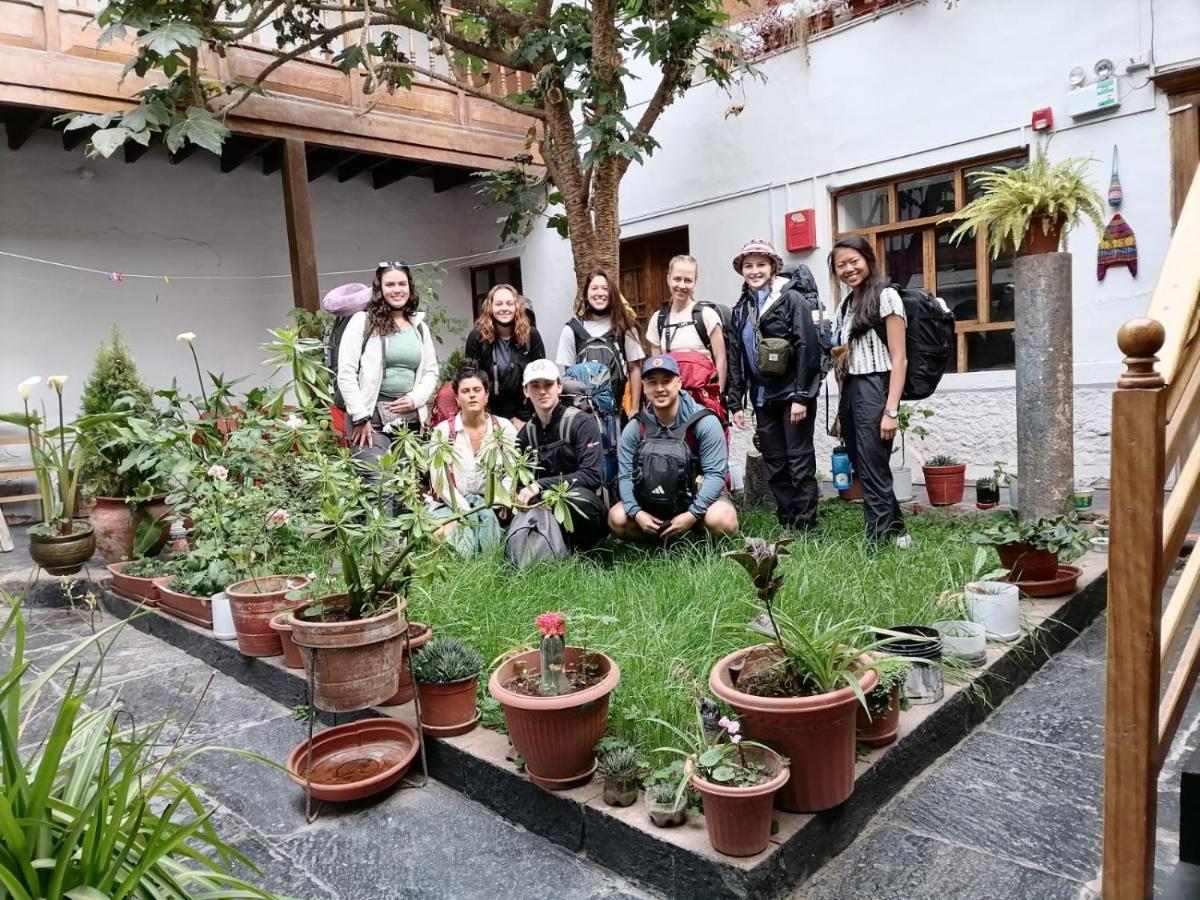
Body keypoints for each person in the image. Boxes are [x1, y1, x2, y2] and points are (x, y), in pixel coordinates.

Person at [726, 239, 825, 534]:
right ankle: (787, 521)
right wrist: (735, 401)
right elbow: (736, 358)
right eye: (748, 265)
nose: (755, 271)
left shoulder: (792, 300)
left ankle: (807, 525)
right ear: (741, 271)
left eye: (761, 264)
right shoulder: (740, 310)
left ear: (772, 267)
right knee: (776, 463)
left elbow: (807, 346)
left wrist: (802, 395)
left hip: (793, 395)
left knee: (798, 460)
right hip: (762, 398)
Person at [829, 235, 911, 546]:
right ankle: (899, 533)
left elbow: (899, 358)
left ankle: (876, 543)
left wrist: (891, 410)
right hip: (851, 389)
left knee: (873, 466)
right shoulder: (846, 304)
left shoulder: (886, 296)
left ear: (868, 260)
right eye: (841, 265)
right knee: (862, 465)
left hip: (876, 387)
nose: (849, 269)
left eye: (854, 261)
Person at [608, 355, 739, 542]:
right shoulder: (636, 427)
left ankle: (692, 532)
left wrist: (692, 515)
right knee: (617, 518)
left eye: (667, 381)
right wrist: (636, 512)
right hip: (652, 499)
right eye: (652, 383)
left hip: (696, 497)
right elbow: (625, 475)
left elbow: (715, 475)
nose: (660, 389)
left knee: (721, 519)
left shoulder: (705, 422)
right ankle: (659, 535)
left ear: (679, 383)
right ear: (644, 387)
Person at [337, 261, 439, 470]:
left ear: (410, 287)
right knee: (380, 482)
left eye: (402, 284)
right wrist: (359, 416)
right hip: (370, 419)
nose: (397, 290)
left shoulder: (419, 327)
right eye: (390, 284)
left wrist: (415, 399)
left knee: (405, 489)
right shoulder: (363, 322)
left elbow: (431, 371)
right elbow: (346, 372)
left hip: (407, 420)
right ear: (379, 289)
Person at [514, 358, 609, 550]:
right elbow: (520, 485)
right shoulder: (525, 434)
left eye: (548, 384)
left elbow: (591, 476)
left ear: (559, 386)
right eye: (535, 385)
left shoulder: (582, 422)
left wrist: (541, 486)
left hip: (586, 506)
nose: (542, 391)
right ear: (526, 391)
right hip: (544, 509)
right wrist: (535, 501)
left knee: (574, 499)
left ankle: (585, 551)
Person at [427, 366, 519, 556]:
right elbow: (440, 482)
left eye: (477, 390)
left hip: (493, 507)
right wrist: (467, 511)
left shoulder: (504, 428)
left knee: (494, 539)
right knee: (445, 534)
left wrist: (494, 504)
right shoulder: (443, 431)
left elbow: (512, 472)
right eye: (465, 391)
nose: (471, 396)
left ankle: (488, 559)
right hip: (451, 506)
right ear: (458, 398)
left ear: (486, 395)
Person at [555, 268, 645, 415]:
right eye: (594, 288)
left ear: (613, 293)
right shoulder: (572, 330)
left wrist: (634, 409)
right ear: (586, 293)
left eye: (605, 288)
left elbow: (634, 369)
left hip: (617, 412)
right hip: (583, 413)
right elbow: (568, 375)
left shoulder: (625, 328)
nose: (600, 293)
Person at [645, 254, 728, 396]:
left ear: (695, 282)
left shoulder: (706, 315)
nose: (681, 285)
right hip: (670, 399)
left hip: (704, 396)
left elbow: (721, 359)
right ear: (668, 279)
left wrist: (717, 394)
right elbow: (657, 364)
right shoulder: (658, 319)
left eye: (688, 280)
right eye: (677, 279)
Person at [465, 284, 545, 429]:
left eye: (509, 303)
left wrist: (523, 417)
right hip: (488, 416)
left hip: (525, 416)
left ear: (517, 307)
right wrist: (485, 417)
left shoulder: (531, 336)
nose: (504, 308)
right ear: (490, 307)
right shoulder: (477, 337)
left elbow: (539, 379)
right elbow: (469, 379)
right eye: (498, 304)